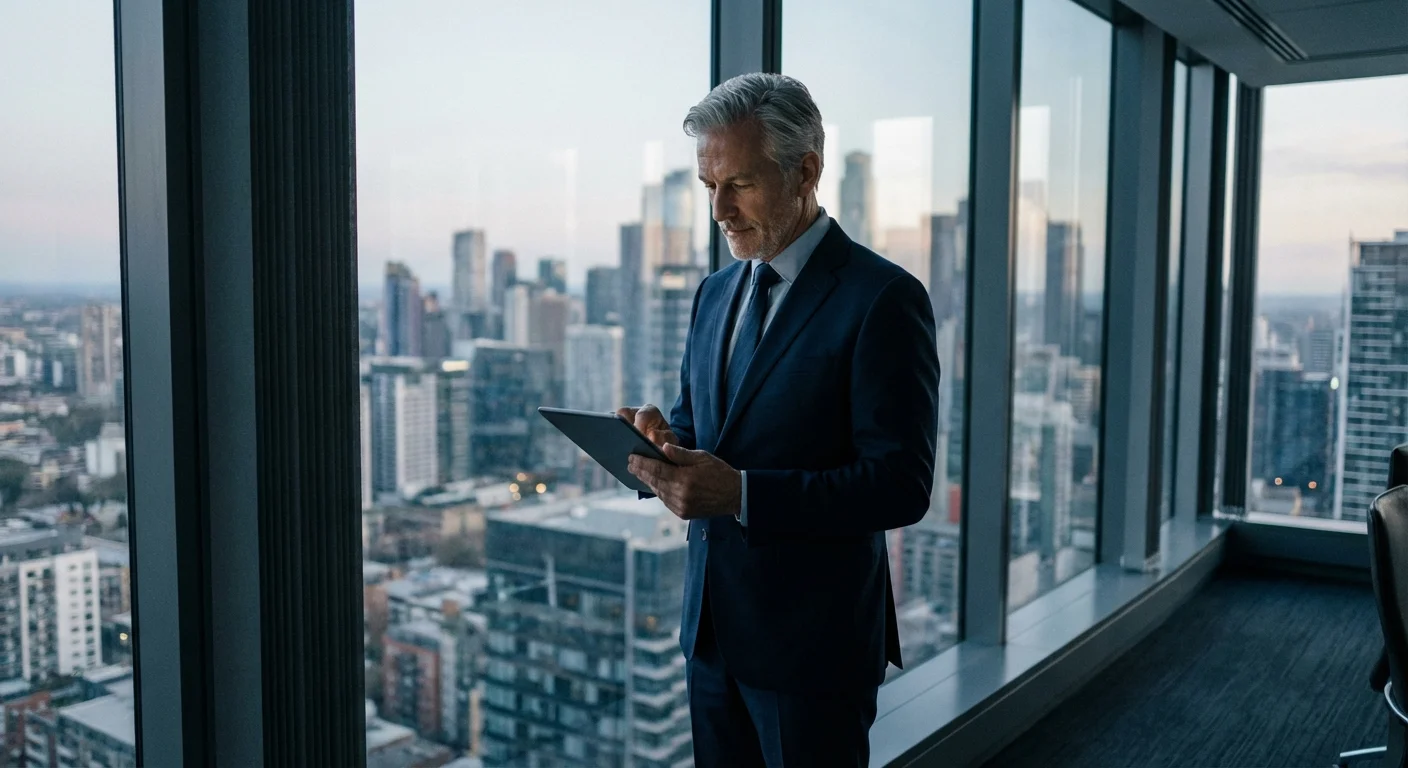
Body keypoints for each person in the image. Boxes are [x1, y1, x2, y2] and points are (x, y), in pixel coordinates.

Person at [619, 72, 941, 766]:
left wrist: (741, 495)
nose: (720, 211)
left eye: (739, 184)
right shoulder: (714, 293)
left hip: (812, 648)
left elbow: (901, 485)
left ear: (807, 172)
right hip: (709, 634)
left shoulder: (883, 298)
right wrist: (660, 447)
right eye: (709, 187)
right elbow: (701, 433)